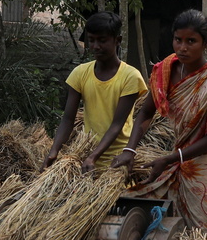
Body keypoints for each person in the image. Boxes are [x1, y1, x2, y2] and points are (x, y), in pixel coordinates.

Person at [112, 9, 207, 240]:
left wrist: (171, 159)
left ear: (205, 44)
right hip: (178, 162)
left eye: (191, 41)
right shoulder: (165, 70)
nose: (183, 47)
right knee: (145, 218)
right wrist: (129, 149)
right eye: (178, 40)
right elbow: (146, 112)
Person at [44, 11, 148, 173]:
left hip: (118, 160)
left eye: (102, 40)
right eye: (91, 40)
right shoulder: (80, 73)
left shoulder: (130, 76)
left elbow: (117, 124)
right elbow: (68, 119)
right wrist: (54, 151)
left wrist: (93, 157)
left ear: (117, 40)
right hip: (87, 156)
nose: (95, 46)